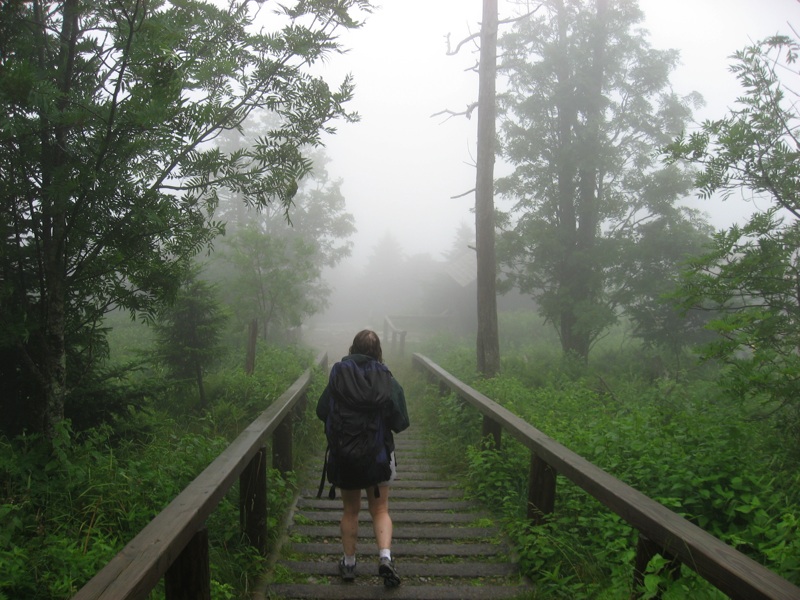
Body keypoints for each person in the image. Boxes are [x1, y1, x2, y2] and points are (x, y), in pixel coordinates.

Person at [316, 329, 410, 587]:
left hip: (345, 455)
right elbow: (401, 421)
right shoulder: (386, 379)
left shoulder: (338, 375)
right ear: (378, 351)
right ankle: (385, 558)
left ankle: (348, 564)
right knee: (380, 509)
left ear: (352, 349)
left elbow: (322, 410)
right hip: (378, 455)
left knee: (350, 510)